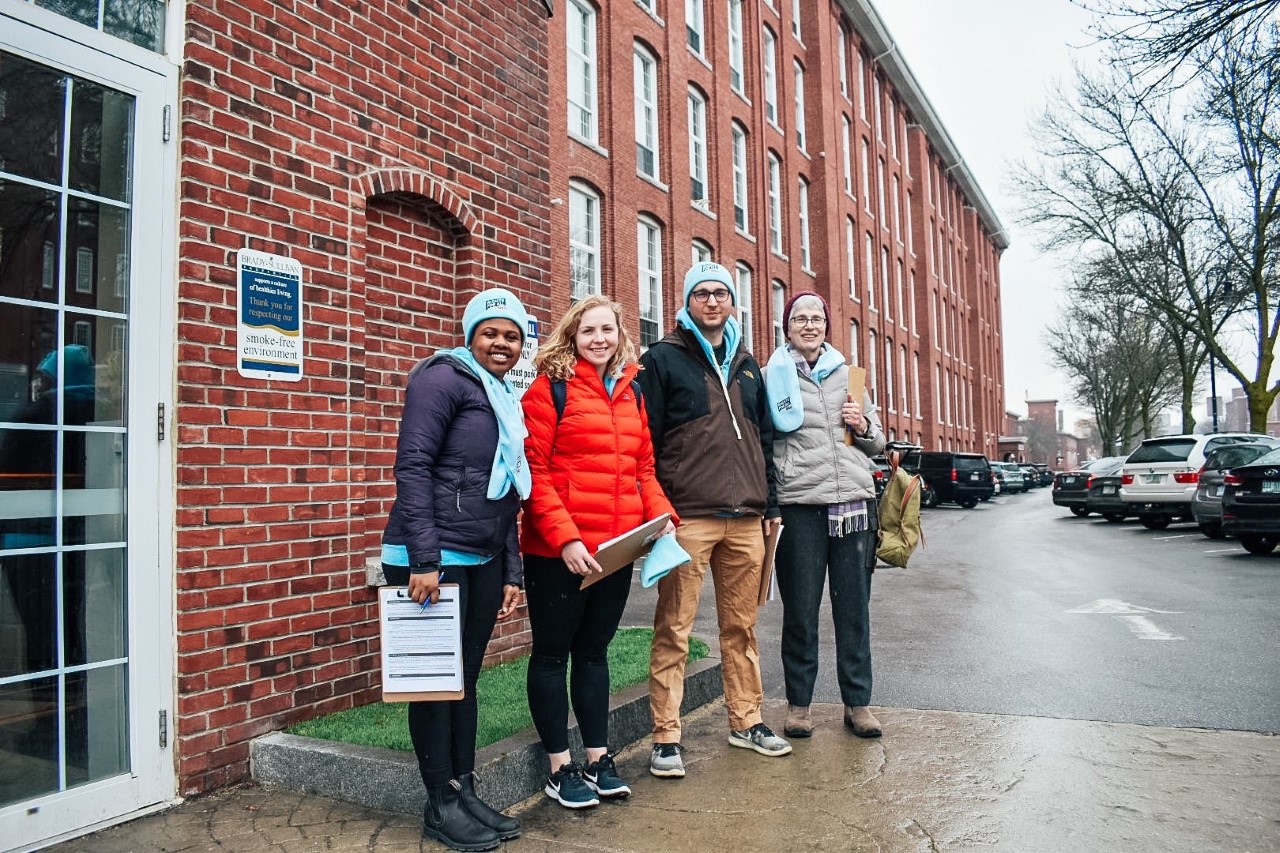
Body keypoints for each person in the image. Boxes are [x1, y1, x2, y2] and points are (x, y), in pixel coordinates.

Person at [380, 288, 530, 852]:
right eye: (491, 332)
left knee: (463, 680)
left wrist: (512, 570)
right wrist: (425, 559)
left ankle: (463, 790)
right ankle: (439, 805)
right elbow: (412, 466)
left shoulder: (500, 395)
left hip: (485, 557)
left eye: (512, 336)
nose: (502, 343)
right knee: (433, 684)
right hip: (432, 559)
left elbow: (510, 491)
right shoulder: (439, 379)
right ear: (471, 335)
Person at [520, 294, 678, 809]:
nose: (599, 339)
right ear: (572, 335)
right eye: (588, 331)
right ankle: (559, 767)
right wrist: (565, 538)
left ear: (620, 335)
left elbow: (643, 472)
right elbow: (534, 473)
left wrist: (662, 523)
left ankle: (597, 759)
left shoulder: (631, 393)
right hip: (558, 553)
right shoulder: (550, 390)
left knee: (593, 654)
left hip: (614, 551)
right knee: (551, 656)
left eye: (607, 330)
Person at [637, 261, 791, 779]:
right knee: (675, 627)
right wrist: (658, 510)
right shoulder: (663, 358)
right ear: (686, 301)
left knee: (741, 628)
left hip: (747, 518)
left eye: (720, 292)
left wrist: (770, 507)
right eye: (701, 293)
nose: (711, 301)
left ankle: (746, 722)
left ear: (732, 302)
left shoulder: (749, 365)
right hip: (688, 518)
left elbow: (766, 442)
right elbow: (647, 441)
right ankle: (666, 736)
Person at [764, 291, 886, 739]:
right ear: (787, 326)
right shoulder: (771, 376)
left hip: (853, 505)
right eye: (801, 318)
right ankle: (799, 706)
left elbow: (877, 445)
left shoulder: (850, 377)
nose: (810, 325)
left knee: (853, 609)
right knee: (800, 611)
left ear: (826, 326)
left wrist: (864, 425)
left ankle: (858, 703)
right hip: (801, 507)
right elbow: (764, 441)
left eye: (817, 318)